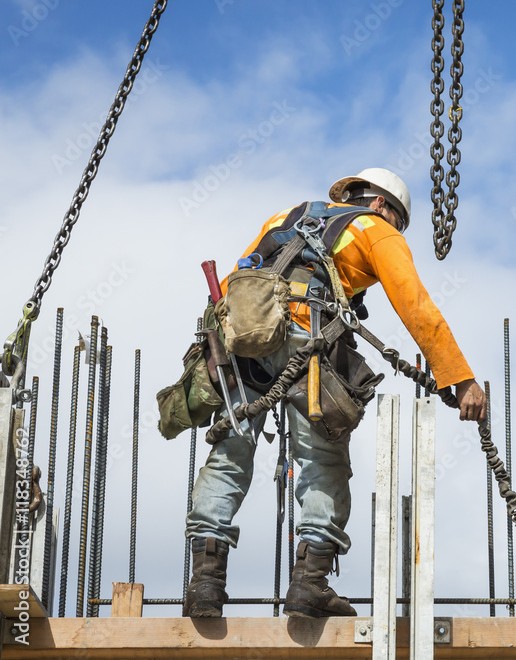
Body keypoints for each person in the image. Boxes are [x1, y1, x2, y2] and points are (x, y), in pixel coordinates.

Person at [183, 167, 486, 618]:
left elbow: (233, 286)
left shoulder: (285, 216)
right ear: (382, 205)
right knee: (322, 460)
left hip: (242, 339)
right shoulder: (374, 228)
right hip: (309, 338)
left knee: (229, 454)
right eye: (397, 220)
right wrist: (459, 378)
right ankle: (310, 584)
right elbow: (414, 303)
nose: (395, 229)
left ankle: (204, 584)